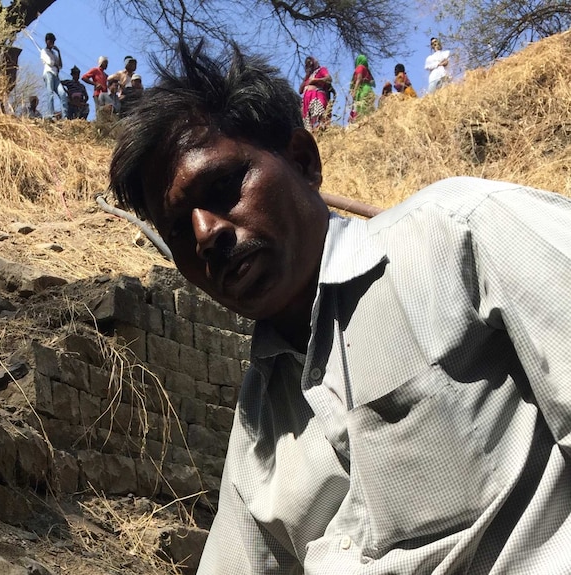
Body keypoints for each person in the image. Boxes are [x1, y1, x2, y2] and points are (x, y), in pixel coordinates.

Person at [110, 40, 571, 574]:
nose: (206, 233)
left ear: (304, 161)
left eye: (221, 188)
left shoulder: (460, 234)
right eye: (176, 231)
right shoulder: (257, 431)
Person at [299, 56, 333, 131]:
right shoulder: (308, 77)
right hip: (307, 101)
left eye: (311, 63)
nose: (310, 65)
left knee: (319, 116)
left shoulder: (321, 70)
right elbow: (300, 90)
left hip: (317, 96)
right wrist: (307, 76)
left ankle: (321, 130)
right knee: (309, 124)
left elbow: (329, 79)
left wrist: (316, 80)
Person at [39, 32, 63, 119]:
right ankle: (50, 114)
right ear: (47, 41)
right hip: (48, 73)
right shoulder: (43, 51)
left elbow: (60, 65)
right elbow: (50, 62)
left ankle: (65, 115)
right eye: (50, 41)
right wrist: (55, 65)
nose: (52, 43)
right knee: (50, 93)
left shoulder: (54, 53)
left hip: (55, 75)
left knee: (63, 94)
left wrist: (59, 52)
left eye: (53, 41)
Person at [348, 54, 375, 122]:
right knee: (368, 110)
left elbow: (359, 79)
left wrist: (354, 91)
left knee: (361, 111)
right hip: (369, 90)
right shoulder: (367, 71)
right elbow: (373, 83)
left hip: (363, 90)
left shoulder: (360, 67)